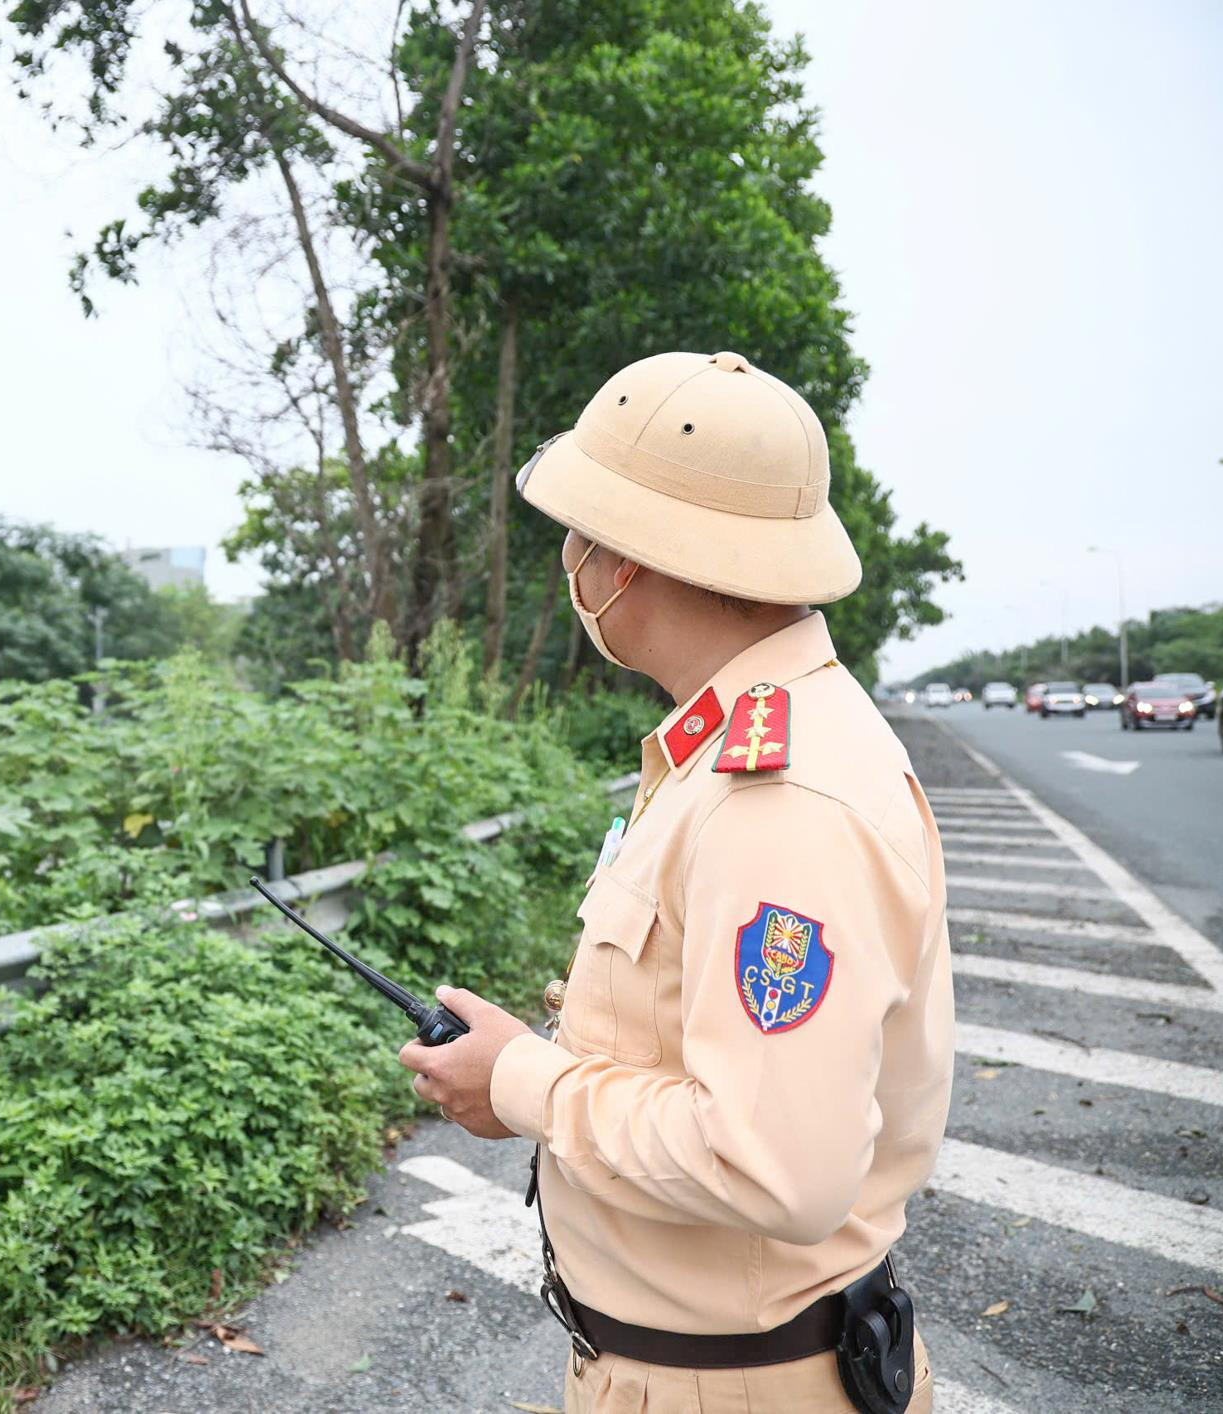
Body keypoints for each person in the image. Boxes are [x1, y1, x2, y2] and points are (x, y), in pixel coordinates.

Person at [397, 351, 953, 1414]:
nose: (570, 559)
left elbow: (778, 1165)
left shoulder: (780, 797)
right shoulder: (726, 748)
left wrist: (520, 1082)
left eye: (579, 529)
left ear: (630, 560)